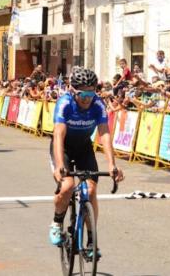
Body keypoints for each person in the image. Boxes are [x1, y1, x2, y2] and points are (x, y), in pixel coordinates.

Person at [49, 67, 124, 258]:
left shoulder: (97, 105)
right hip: (63, 148)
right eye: (83, 93)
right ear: (73, 91)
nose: (87, 98)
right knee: (66, 187)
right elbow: (58, 134)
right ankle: (57, 222)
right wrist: (59, 165)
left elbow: (104, 133)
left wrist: (112, 164)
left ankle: (91, 241)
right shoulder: (64, 103)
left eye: (91, 93)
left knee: (90, 191)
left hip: (83, 148)